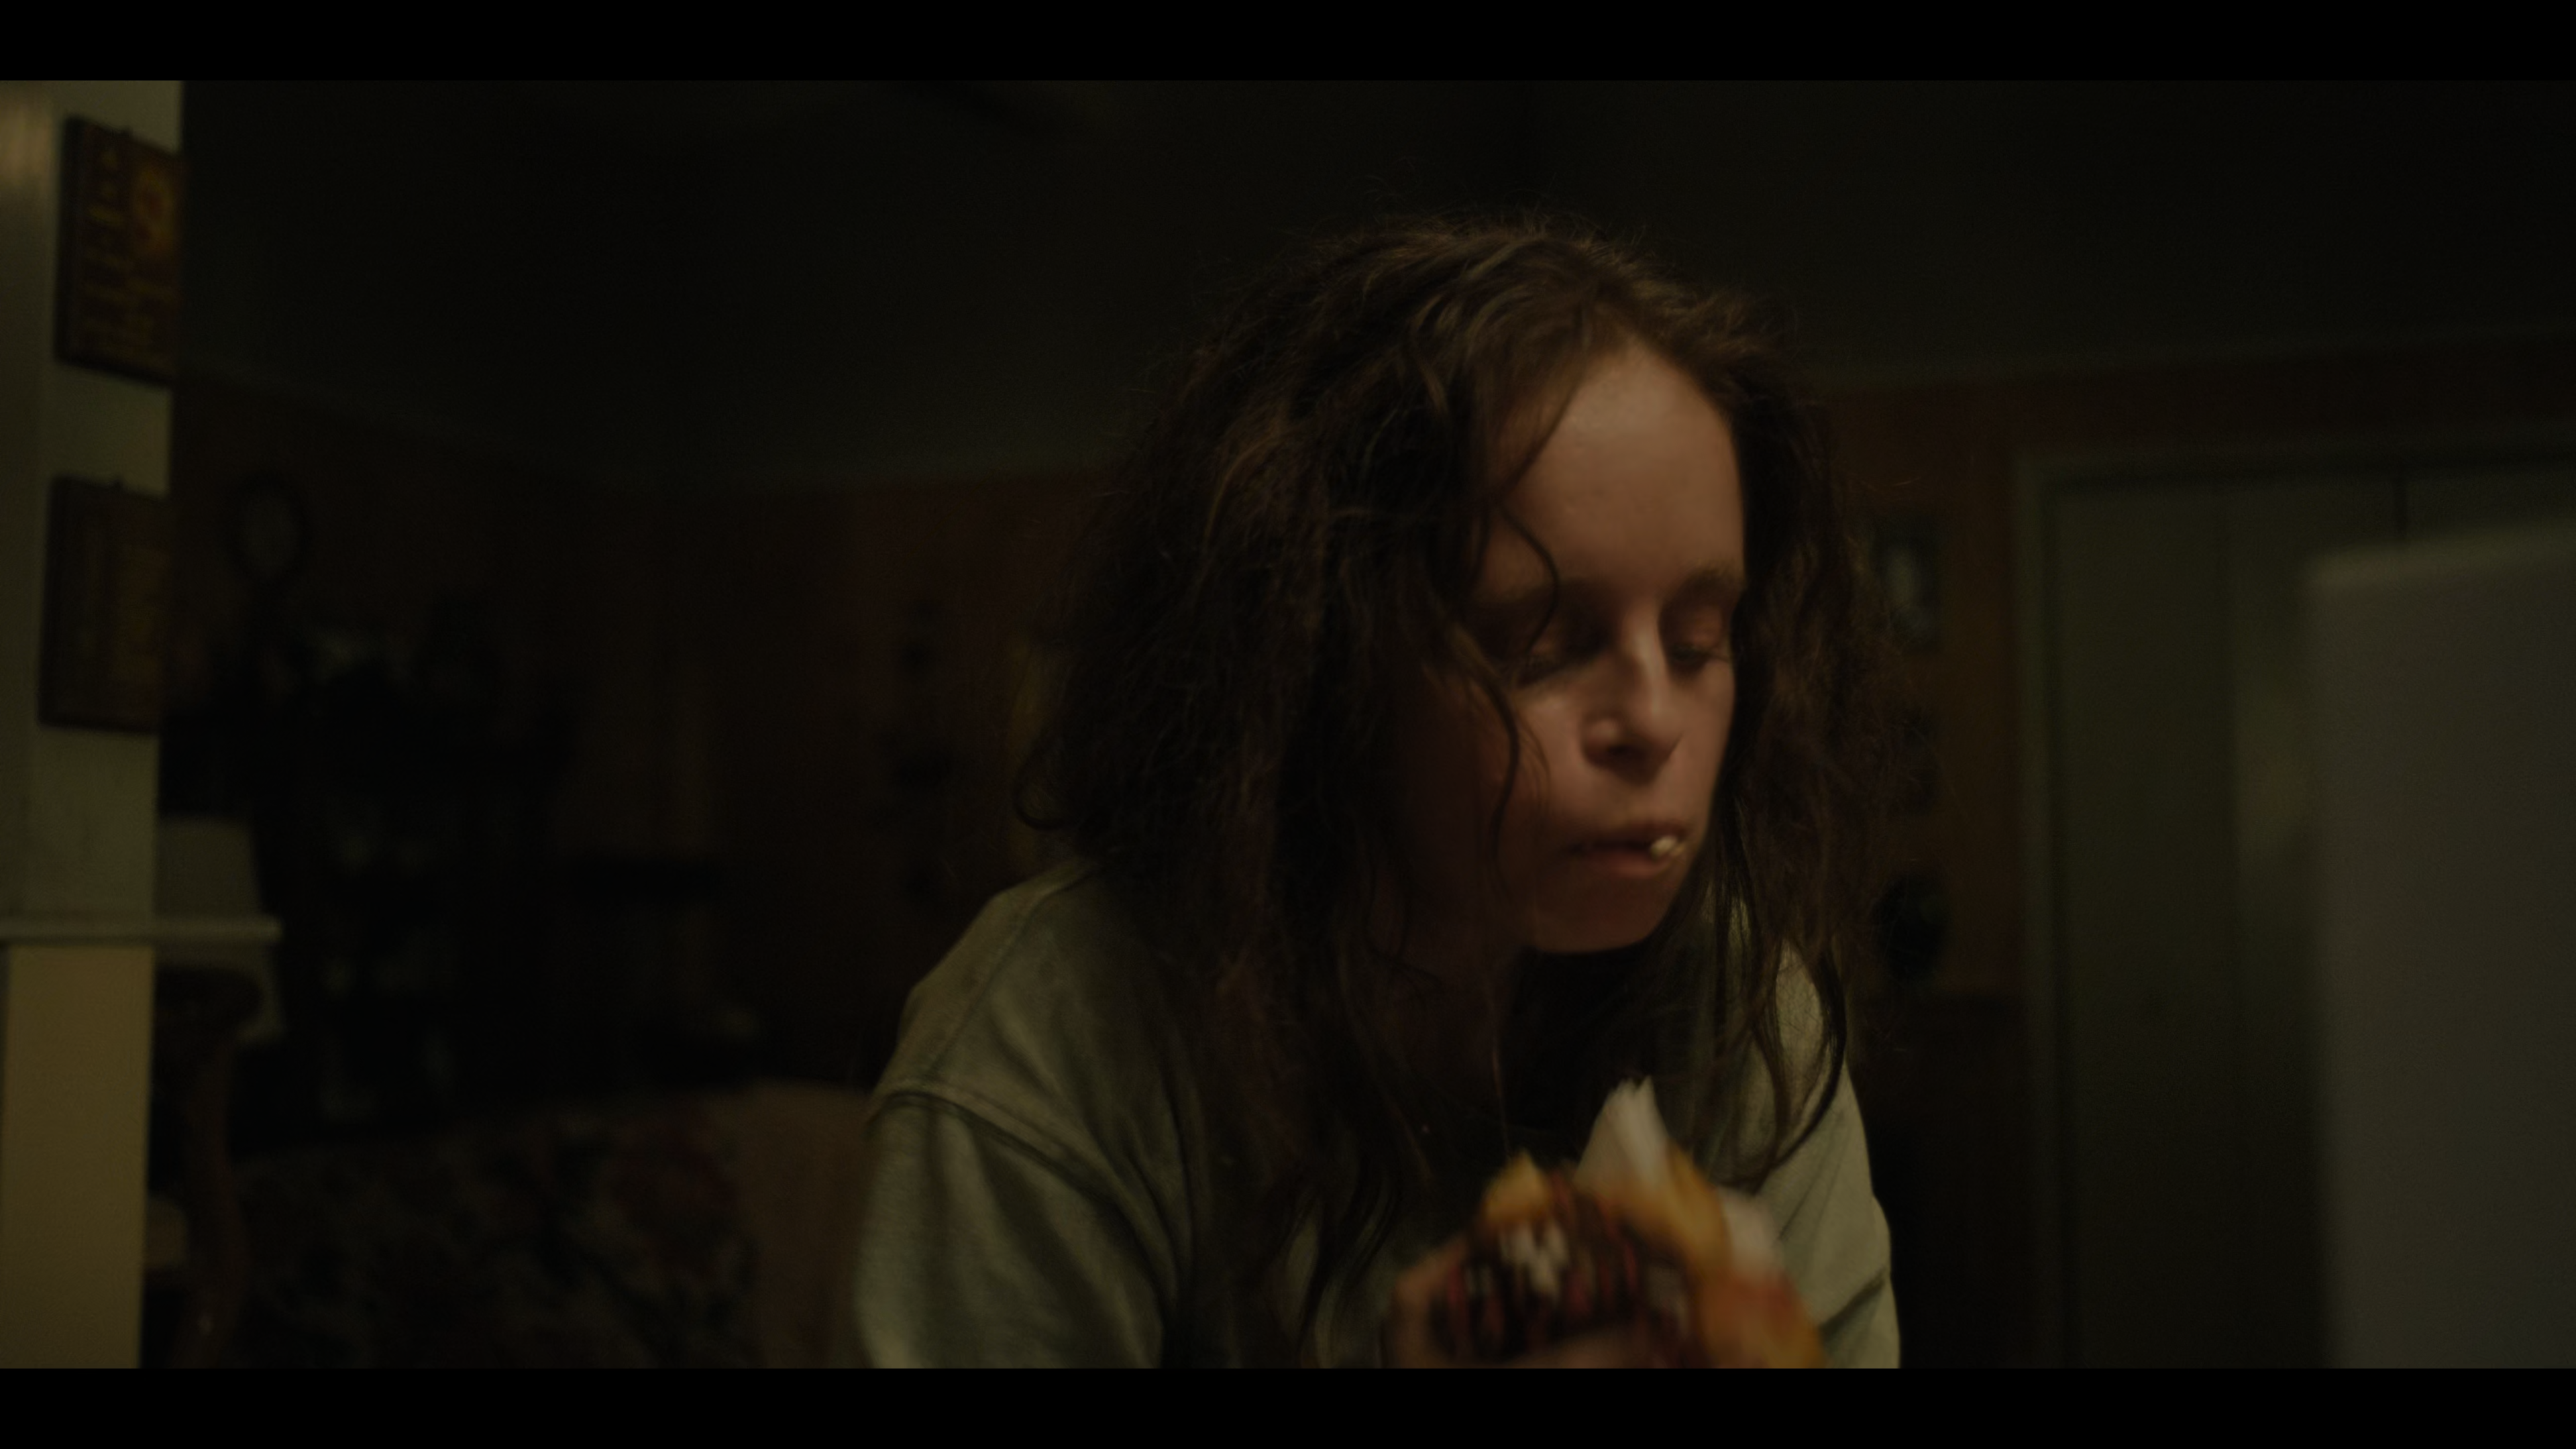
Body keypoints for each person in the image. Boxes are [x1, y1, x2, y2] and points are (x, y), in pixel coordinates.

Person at [845, 214, 1901, 1367]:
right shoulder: (1057, 1037)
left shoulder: (1739, 1006)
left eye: (1699, 641)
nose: (1656, 720)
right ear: (1319, 657)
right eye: (1541, 649)